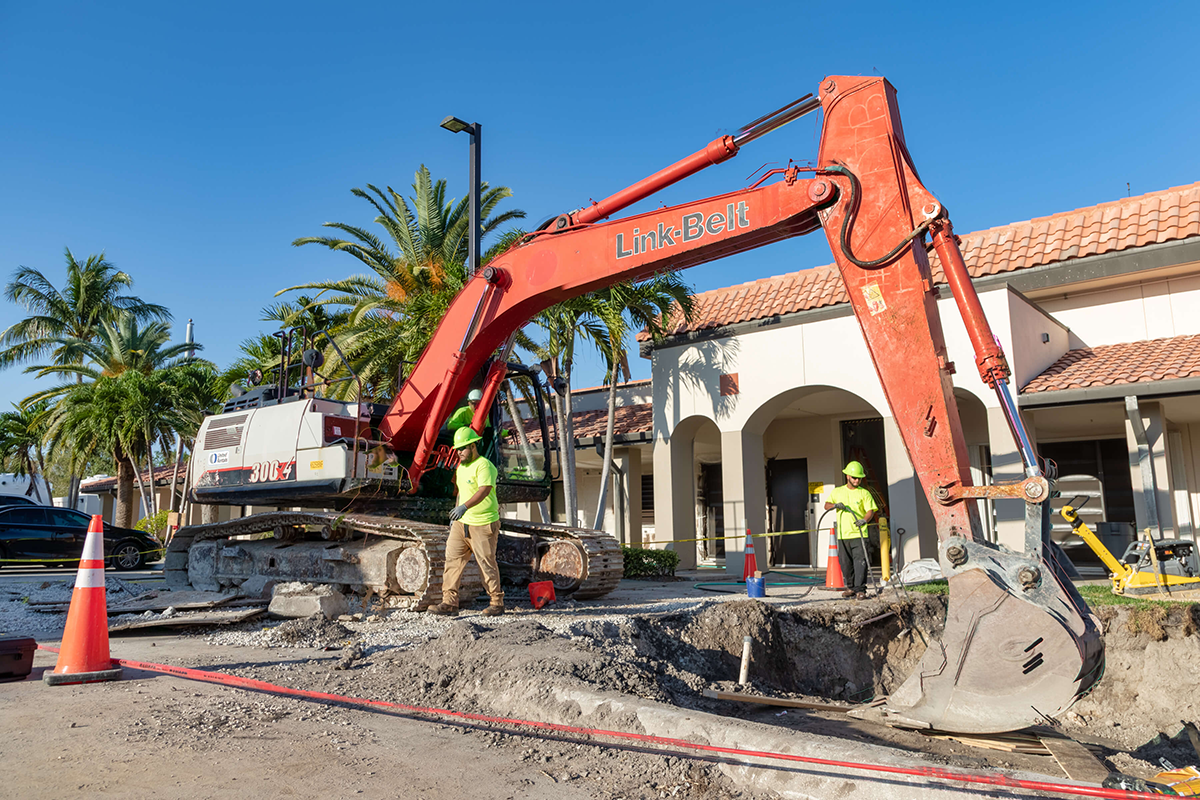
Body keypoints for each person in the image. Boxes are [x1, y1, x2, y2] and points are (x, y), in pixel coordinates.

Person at [428, 426, 505, 617]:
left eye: (463, 448)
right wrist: (457, 513)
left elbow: (484, 490)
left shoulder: (484, 465)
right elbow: (462, 493)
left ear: (473, 446)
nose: (459, 452)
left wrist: (465, 507)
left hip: (483, 523)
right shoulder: (461, 468)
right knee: (452, 562)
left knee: (486, 563)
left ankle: (496, 603)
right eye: (457, 449)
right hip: (462, 524)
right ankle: (449, 603)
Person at [823, 460, 877, 599]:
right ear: (847, 476)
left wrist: (864, 520)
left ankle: (860, 590)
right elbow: (826, 505)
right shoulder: (837, 491)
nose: (857, 480)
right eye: (854, 477)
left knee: (860, 562)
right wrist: (835, 505)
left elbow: (870, 511)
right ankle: (851, 588)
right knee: (846, 564)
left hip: (859, 534)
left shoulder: (864, 493)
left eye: (859, 478)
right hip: (843, 535)